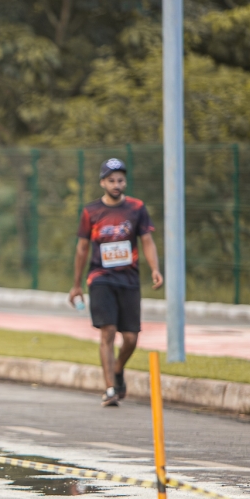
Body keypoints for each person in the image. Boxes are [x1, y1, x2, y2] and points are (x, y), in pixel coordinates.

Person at [69, 158, 163, 407]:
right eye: (111, 180)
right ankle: (110, 387)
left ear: (125, 182)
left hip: (128, 278)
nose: (116, 185)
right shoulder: (91, 212)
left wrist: (155, 268)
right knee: (108, 331)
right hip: (101, 278)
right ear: (102, 183)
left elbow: (147, 241)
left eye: (120, 180)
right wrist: (76, 284)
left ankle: (118, 368)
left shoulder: (136, 208)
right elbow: (81, 248)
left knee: (131, 338)